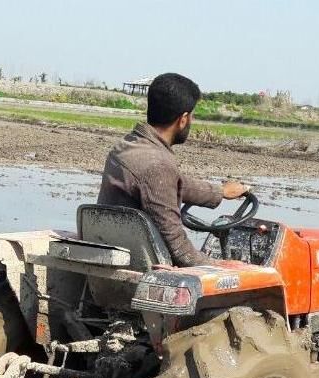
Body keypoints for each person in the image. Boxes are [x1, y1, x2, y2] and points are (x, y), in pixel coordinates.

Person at [97, 72, 249, 267]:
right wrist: (224, 267)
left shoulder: (128, 145)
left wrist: (220, 191)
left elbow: (173, 183)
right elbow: (178, 248)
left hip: (116, 254)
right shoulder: (157, 165)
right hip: (142, 267)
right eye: (192, 116)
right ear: (183, 119)